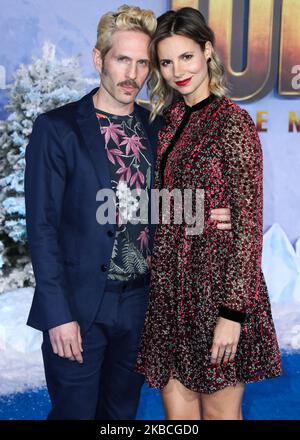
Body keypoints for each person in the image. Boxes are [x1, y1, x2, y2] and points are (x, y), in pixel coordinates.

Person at [24, 5, 231, 420]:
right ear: (99, 58)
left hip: (141, 304)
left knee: (121, 414)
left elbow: (151, 204)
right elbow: (41, 227)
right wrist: (57, 315)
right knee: (75, 414)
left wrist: (201, 212)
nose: (132, 75)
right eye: (123, 59)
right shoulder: (58, 128)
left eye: (143, 63)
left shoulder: (157, 125)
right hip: (79, 306)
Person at [136, 7, 282, 420]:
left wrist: (232, 314)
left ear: (206, 51)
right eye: (166, 61)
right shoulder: (166, 122)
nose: (177, 70)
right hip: (168, 295)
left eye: (186, 56)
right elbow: (163, 201)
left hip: (216, 292)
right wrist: (195, 211)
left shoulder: (232, 123)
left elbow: (249, 227)